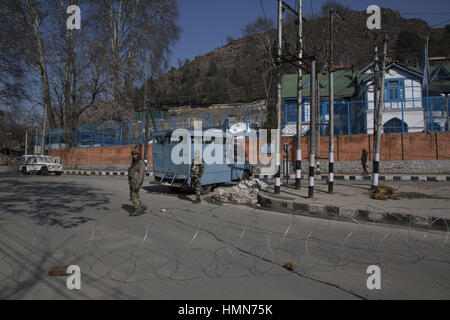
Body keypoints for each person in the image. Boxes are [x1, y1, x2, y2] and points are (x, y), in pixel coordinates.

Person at [128, 150, 147, 216]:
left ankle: (137, 209)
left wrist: (138, 184)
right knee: (134, 195)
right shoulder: (134, 162)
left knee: (134, 196)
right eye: (133, 155)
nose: (134, 156)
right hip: (132, 182)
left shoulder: (141, 162)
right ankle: (142, 206)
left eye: (135, 154)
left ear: (138, 155)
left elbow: (141, 175)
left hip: (136, 183)